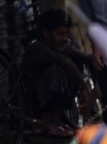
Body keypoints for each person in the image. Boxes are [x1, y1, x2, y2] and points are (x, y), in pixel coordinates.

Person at [22, 8, 97, 136]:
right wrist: (84, 86)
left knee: (77, 62)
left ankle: (54, 120)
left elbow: (82, 56)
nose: (64, 38)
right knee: (61, 70)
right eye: (60, 34)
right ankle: (44, 122)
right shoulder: (38, 47)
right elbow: (64, 62)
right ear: (46, 33)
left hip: (43, 96)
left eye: (66, 34)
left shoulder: (58, 45)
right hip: (29, 101)